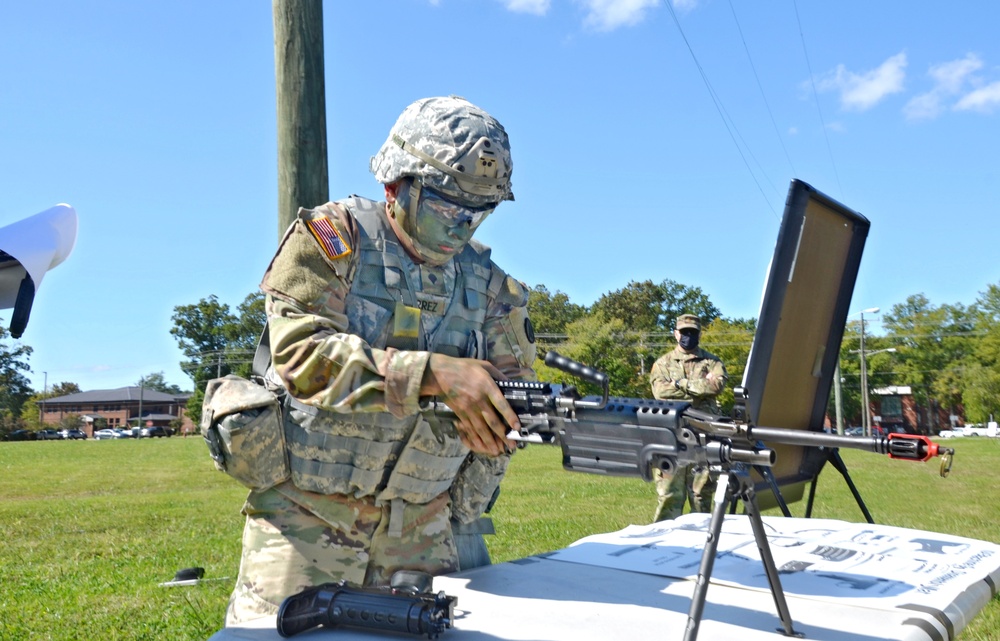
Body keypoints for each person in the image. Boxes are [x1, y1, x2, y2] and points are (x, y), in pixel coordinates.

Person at [225, 96, 537, 625]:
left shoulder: (492, 290)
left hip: (422, 529)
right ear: (396, 187)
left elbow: (516, 394)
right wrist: (433, 375)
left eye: (480, 212)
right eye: (447, 206)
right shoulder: (333, 238)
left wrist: (501, 424)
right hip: (306, 522)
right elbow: (301, 355)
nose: (465, 226)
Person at [649, 314, 728, 522]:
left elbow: (715, 386)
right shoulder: (662, 364)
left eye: (692, 332)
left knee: (701, 497)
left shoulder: (712, 362)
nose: (688, 337)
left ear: (699, 334)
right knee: (668, 496)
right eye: (684, 332)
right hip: (671, 438)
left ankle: (704, 546)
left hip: (704, 438)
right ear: (676, 334)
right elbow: (660, 393)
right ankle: (662, 544)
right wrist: (696, 387)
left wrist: (677, 384)